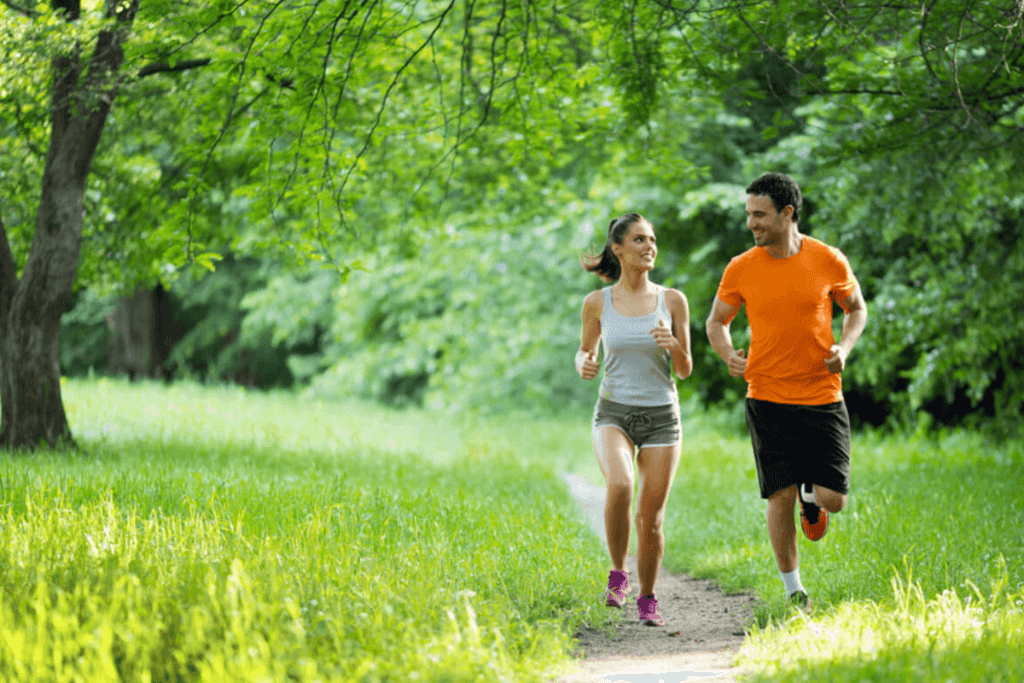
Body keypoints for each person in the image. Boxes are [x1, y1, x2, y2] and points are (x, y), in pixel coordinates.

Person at [705, 172, 868, 611]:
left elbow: (856, 309)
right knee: (778, 494)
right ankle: (794, 590)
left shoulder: (827, 259)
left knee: (834, 500)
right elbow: (716, 322)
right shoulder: (741, 267)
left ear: (787, 213)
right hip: (766, 395)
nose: (751, 224)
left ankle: (811, 495)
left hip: (822, 394)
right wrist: (728, 356)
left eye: (759, 215)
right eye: (748, 215)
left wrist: (844, 347)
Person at [576, 212, 692, 627]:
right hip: (614, 412)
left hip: (663, 418)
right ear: (618, 249)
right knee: (621, 484)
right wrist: (584, 363)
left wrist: (674, 344)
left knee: (651, 518)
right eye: (640, 240)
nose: (649, 247)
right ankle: (617, 572)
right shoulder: (597, 302)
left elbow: (685, 369)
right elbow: (585, 351)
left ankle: (647, 598)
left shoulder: (673, 300)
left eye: (653, 240)